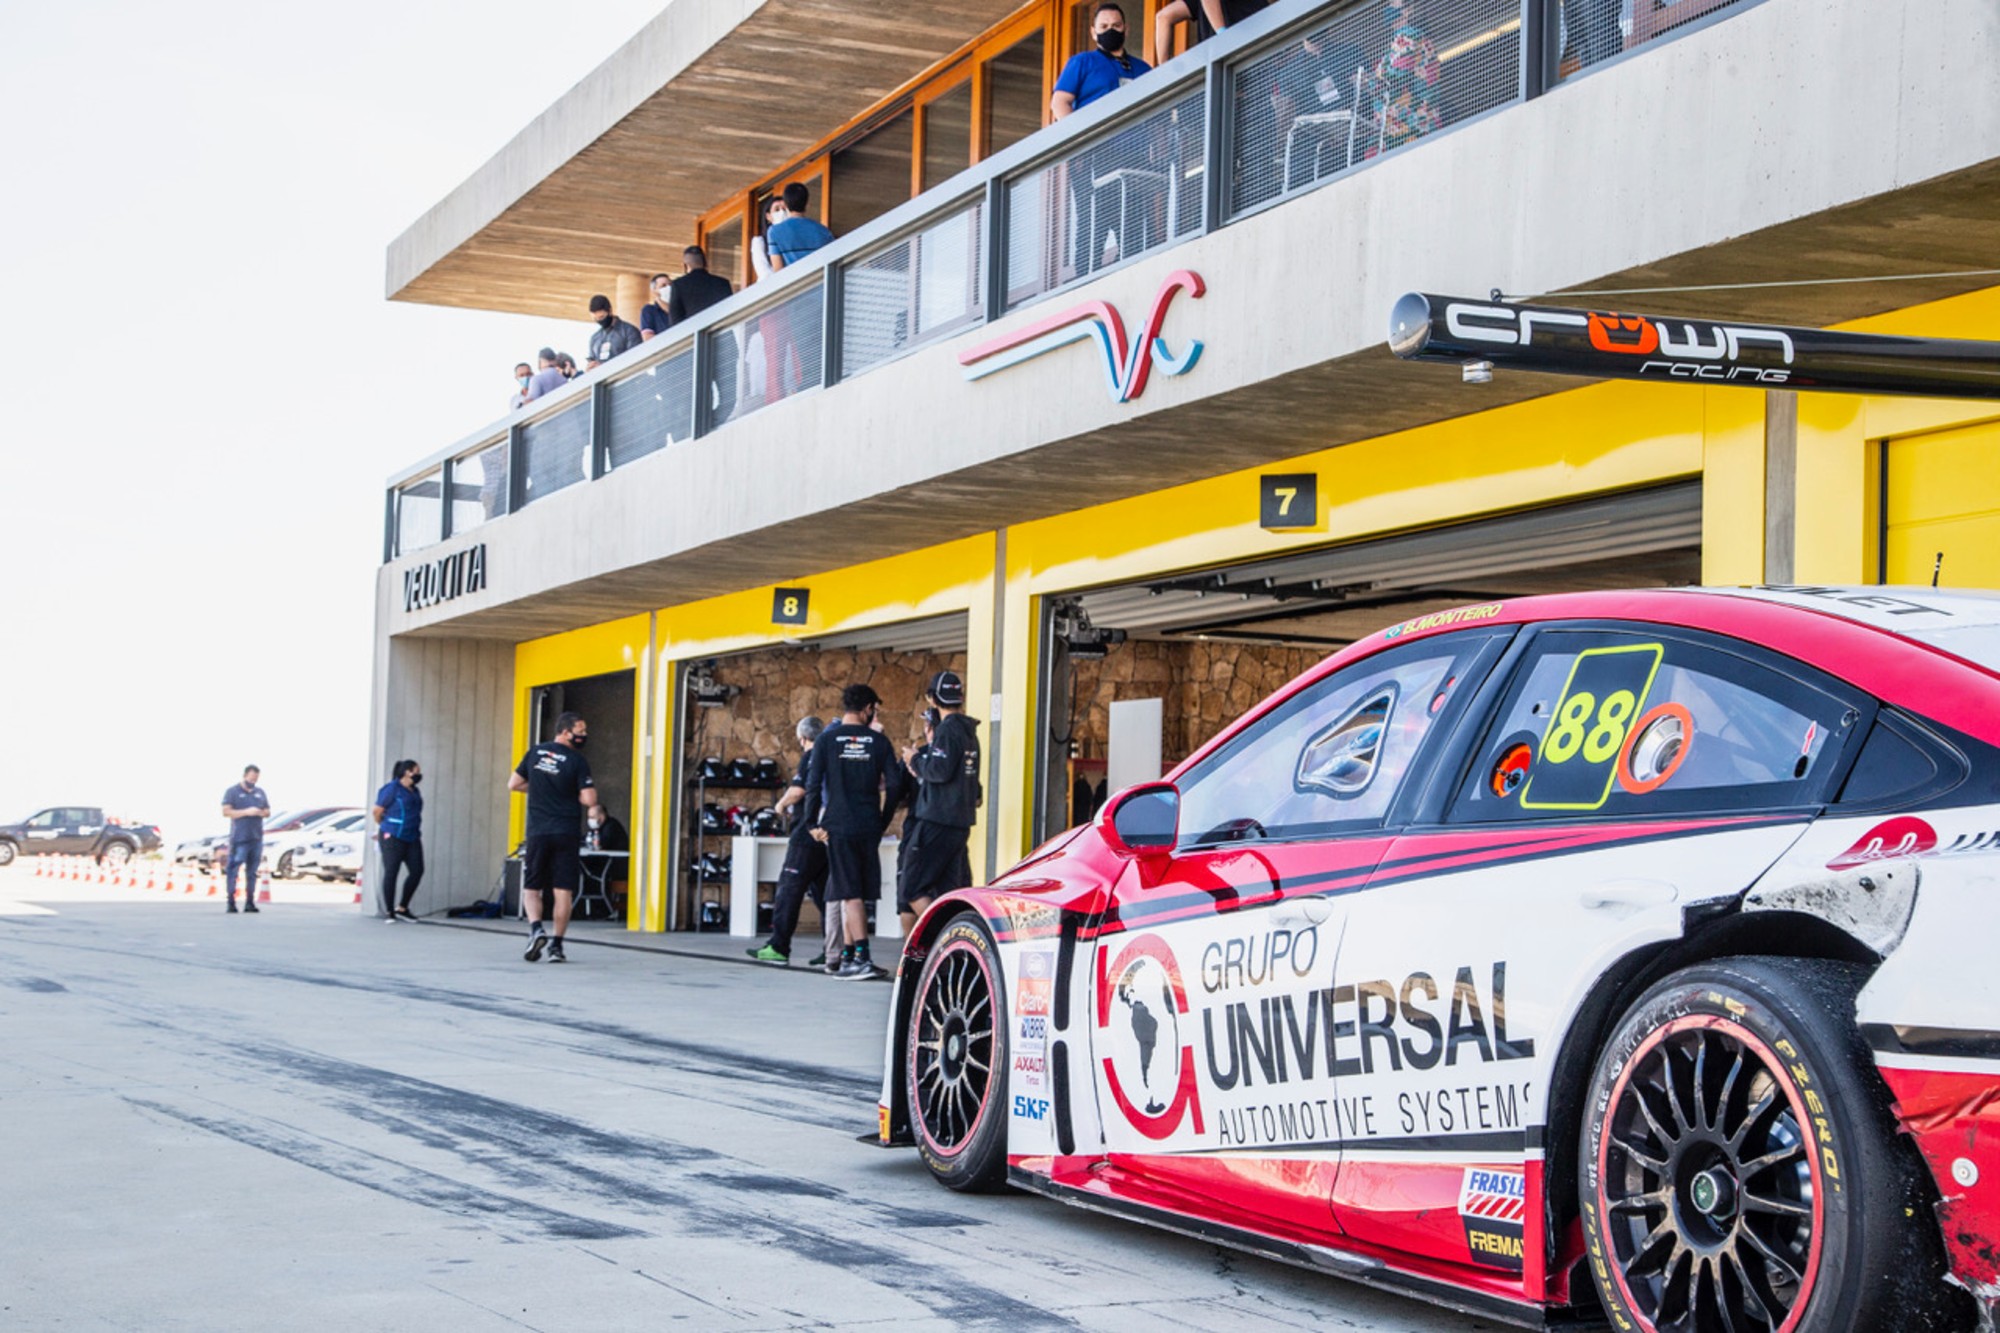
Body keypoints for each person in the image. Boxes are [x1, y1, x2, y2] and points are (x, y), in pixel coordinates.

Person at [805, 685, 906, 979]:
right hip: (867, 824)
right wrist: (883, 820)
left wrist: (812, 823)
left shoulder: (825, 740)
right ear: (867, 709)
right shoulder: (878, 741)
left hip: (838, 824)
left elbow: (814, 784)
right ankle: (854, 956)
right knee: (855, 890)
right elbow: (896, 785)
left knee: (850, 892)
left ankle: (855, 957)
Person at [1052, 4, 1153, 276]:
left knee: (1133, 219)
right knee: (1093, 220)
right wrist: (1082, 139)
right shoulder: (1082, 62)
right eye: (1104, 27)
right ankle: (1085, 282)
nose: (1111, 31)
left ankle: (1131, 275)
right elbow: (1060, 102)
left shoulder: (1143, 69)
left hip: (1134, 153)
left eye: (1116, 26)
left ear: (1126, 29)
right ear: (1093, 32)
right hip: (1094, 153)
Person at [506, 711, 599, 963]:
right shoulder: (577, 761)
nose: (584, 736)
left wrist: (538, 789)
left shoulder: (535, 752)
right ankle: (557, 946)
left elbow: (513, 784)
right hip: (566, 832)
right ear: (565, 731)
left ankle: (536, 929)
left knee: (532, 887)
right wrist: (572, 795)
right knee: (562, 890)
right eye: (580, 731)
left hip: (538, 831)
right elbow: (589, 799)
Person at [897, 672, 983, 935]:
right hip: (959, 824)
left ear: (932, 699)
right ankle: (953, 947)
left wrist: (914, 760)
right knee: (949, 892)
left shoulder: (947, 731)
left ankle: (946, 939)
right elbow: (974, 787)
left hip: (936, 822)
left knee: (911, 888)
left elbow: (939, 771)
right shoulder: (970, 733)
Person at [748, 716, 830, 966]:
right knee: (825, 895)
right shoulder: (830, 757)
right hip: (825, 835)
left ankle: (778, 946)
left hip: (806, 835)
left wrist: (780, 805)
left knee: (788, 889)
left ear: (802, 738)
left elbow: (799, 790)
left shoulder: (811, 756)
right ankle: (834, 948)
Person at [1369, 0, 1442, 154]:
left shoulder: (1407, 35)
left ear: (1408, 10)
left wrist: (1368, 82)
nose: (1388, 6)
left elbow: (1396, 78)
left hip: (1409, 125)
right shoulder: (1412, 37)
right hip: (1421, 120)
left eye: (1393, 2)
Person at [372, 759, 424, 921]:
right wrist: (385, 826)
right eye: (416, 771)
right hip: (393, 836)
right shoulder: (391, 789)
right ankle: (389, 911)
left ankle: (402, 907)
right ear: (408, 772)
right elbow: (377, 811)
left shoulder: (414, 791)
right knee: (391, 872)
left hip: (412, 836)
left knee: (417, 870)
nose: (419, 774)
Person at [219, 765, 270, 914]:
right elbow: (226, 811)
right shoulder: (232, 792)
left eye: (256, 778)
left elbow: (267, 811)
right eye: (251, 777)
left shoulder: (260, 793)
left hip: (256, 837)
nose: (253, 781)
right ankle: (231, 901)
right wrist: (246, 812)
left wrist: (260, 812)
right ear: (245, 775)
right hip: (240, 838)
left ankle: (250, 902)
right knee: (233, 869)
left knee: (252, 872)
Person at [1153, 0, 1267, 60]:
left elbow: (1163, 18)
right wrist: (1223, 36)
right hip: (1242, 58)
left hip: (1215, 70)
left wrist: (1163, 73)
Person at [764, 182, 834, 272]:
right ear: (807, 204)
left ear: (786, 205)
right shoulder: (823, 231)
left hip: (794, 284)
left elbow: (778, 271)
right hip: (819, 283)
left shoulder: (774, 232)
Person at [580, 805, 628, 918]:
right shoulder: (598, 828)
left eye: (592, 817)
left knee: (593, 874)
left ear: (601, 817)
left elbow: (602, 844)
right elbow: (585, 840)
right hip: (605, 864)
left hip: (617, 866)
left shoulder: (611, 826)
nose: (589, 820)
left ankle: (602, 909)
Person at [667, 246, 733, 326]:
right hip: (720, 333)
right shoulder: (723, 283)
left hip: (691, 335)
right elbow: (730, 313)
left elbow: (675, 320)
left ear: (686, 266)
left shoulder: (678, 285)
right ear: (705, 263)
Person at [585, 295, 641, 370]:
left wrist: (604, 367)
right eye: (596, 319)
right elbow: (592, 362)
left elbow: (636, 361)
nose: (599, 321)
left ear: (610, 311)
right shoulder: (594, 339)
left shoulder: (629, 331)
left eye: (602, 317)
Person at [639, 273, 674, 341]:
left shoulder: (680, 309)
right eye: (663, 286)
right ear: (654, 291)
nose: (668, 288)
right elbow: (648, 337)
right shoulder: (649, 310)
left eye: (670, 285)